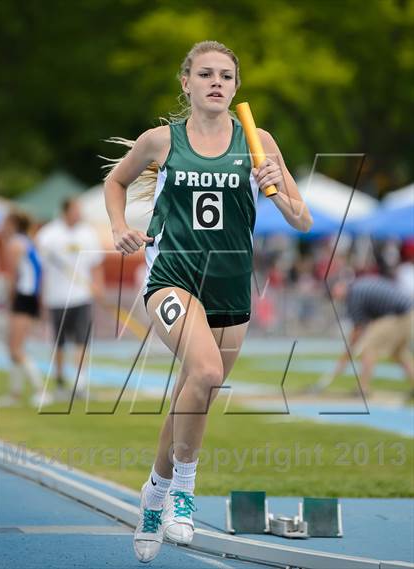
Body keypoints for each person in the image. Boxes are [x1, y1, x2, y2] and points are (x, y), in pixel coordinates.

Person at [104, 40, 312, 563]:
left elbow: (302, 219)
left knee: (194, 393)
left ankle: (153, 493)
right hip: (172, 279)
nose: (216, 82)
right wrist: (119, 226)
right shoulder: (161, 141)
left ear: (236, 87)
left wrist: (276, 188)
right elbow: (116, 180)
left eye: (226, 75)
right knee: (205, 370)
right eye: (206, 74)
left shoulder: (257, 140)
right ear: (187, 82)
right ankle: (184, 496)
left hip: (230, 286)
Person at [36, 197, 105, 400]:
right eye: (76, 209)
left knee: (82, 340)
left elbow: (97, 262)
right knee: (59, 342)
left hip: (82, 296)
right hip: (56, 298)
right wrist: (40, 293)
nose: (79, 213)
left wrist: (98, 286)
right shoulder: (48, 235)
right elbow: (39, 267)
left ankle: (80, 383)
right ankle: (59, 381)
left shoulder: (88, 233)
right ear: (66, 211)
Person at [313, 274, 414, 398]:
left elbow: (358, 331)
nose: (334, 298)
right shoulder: (358, 288)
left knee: (368, 347)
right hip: (407, 313)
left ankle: (363, 388)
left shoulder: (353, 296)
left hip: (399, 314)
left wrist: (347, 353)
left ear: (339, 287)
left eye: (333, 293)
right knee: (399, 353)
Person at [0, 211, 50, 407]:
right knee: (13, 347)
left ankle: (41, 390)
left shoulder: (14, 244)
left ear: (12, 224)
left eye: (5, 222)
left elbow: (13, 276)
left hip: (22, 296)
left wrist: (10, 300)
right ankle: (15, 394)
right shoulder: (28, 241)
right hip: (30, 296)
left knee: (15, 348)